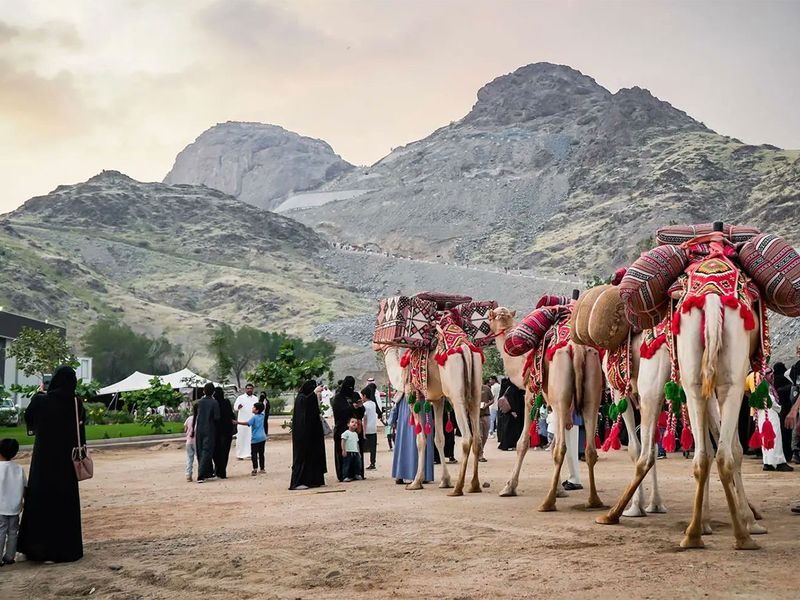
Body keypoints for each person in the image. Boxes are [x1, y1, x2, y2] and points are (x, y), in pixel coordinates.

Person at [18, 365, 84, 562]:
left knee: (42, 502)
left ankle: (39, 549)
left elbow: (29, 419)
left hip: (44, 462)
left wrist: (39, 395)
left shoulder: (41, 401)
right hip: (66, 462)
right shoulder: (76, 403)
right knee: (64, 504)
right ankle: (65, 549)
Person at [745, 371, 793, 472]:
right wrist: (780, 409)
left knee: (765, 439)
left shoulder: (758, 388)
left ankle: (767, 462)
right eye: (770, 374)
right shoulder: (765, 387)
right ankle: (779, 462)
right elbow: (771, 401)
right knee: (774, 438)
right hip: (770, 416)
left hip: (761, 416)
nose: (772, 376)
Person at [289, 381, 327, 490]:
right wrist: (313, 393)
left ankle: (315, 480)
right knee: (302, 456)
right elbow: (304, 405)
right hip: (303, 434)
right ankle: (298, 482)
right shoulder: (301, 398)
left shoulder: (311, 398)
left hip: (313, 433)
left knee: (315, 455)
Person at [391, 391, 434, 484]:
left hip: (411, 400)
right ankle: (423, 473)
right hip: (420, 400)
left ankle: (402, 473)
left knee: (407, 437)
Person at [0, 439, 25, 566]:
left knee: (1, 531)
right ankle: (9, 556)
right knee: (13, 532)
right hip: (15, 507)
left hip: (0, 507)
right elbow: (24, 487)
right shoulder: (19, 468)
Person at [331, 376, 360, 482]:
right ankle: (343, 474)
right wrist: (352, 407)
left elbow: (360, 412)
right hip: (341, 428)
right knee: (342, 452)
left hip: (354, 429)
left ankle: (355, 473)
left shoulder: (355, 395)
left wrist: (359, 407)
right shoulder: (338, 398)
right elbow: (339, 412)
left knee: (354, 451)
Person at [194, 382, 220, 483]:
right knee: (207, 451)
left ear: (204, 391)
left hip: (199, 429)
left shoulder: (199, 402)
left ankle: (207, 472)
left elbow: (195, 416)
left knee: (200, 450)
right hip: (210, 429)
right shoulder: (214, 403)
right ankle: (201, 475)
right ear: (213, 392)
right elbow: (217, 417)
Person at [236, 402, 267, 475]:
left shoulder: (254, 417)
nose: (252, 408)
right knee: (261, 453)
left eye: (253, 407)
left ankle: (255, 468)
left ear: (257, 410)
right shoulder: (262, 415)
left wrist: (237, 422)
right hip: (263, 437)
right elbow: (263, 408)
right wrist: (264, 404)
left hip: (255, 438)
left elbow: (247, 423)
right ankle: (262, 469)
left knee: (254, 454)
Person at [212, 387, 235, 479]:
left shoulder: (214, 403)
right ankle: (223, 471)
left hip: (216, 431)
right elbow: (231, 414)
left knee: (216, 452)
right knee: (225, 452)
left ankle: (218, 470)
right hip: (227, 431)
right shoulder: (227, 402)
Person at [496, 379, 525, 451]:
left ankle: (507, 444)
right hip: (511, 413)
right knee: (510, 430)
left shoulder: (508, 388)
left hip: (507, 413)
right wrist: (514, 410)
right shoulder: (513, 389)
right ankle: (506, 445)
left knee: (507, 429)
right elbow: (513, 401)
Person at [234, 384, 258, 460]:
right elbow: (235, 408)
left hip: (252, 422)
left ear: (253, 389)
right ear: (245, 389)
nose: (249, 390)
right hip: (242, 422)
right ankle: (240, 455)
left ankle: (251, 454)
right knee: (241, 438)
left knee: (252, 438)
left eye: (251, 388)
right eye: (248, 388)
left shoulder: (255, 398)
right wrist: (238, 407)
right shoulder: (240, 398)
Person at [361, 386, 379, 470]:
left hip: (366, 428)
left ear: (364, 396)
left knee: (362, 448)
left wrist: (363, 431)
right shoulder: (373, 404)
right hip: (373, 428)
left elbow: (365, 418)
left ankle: (361, 464)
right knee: (373, 448)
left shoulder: (364, 406)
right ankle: (373, 463)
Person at [478, 381, 493, 462]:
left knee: (485, 435)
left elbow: (492, 400)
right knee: (479, 436)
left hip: (486, 414)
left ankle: (480, 450)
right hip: (476, 416)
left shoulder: (486, 388)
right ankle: (480, 454)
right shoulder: (471, 388)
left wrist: (487, 405)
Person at [183, 404, 197, 482]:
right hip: (196, 442)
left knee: (189, 458)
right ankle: (202, 473)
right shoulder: (200, 419)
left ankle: (188, 474)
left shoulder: (189, 418)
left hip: (189, 441)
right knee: (200, 458)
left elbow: (185, 429)